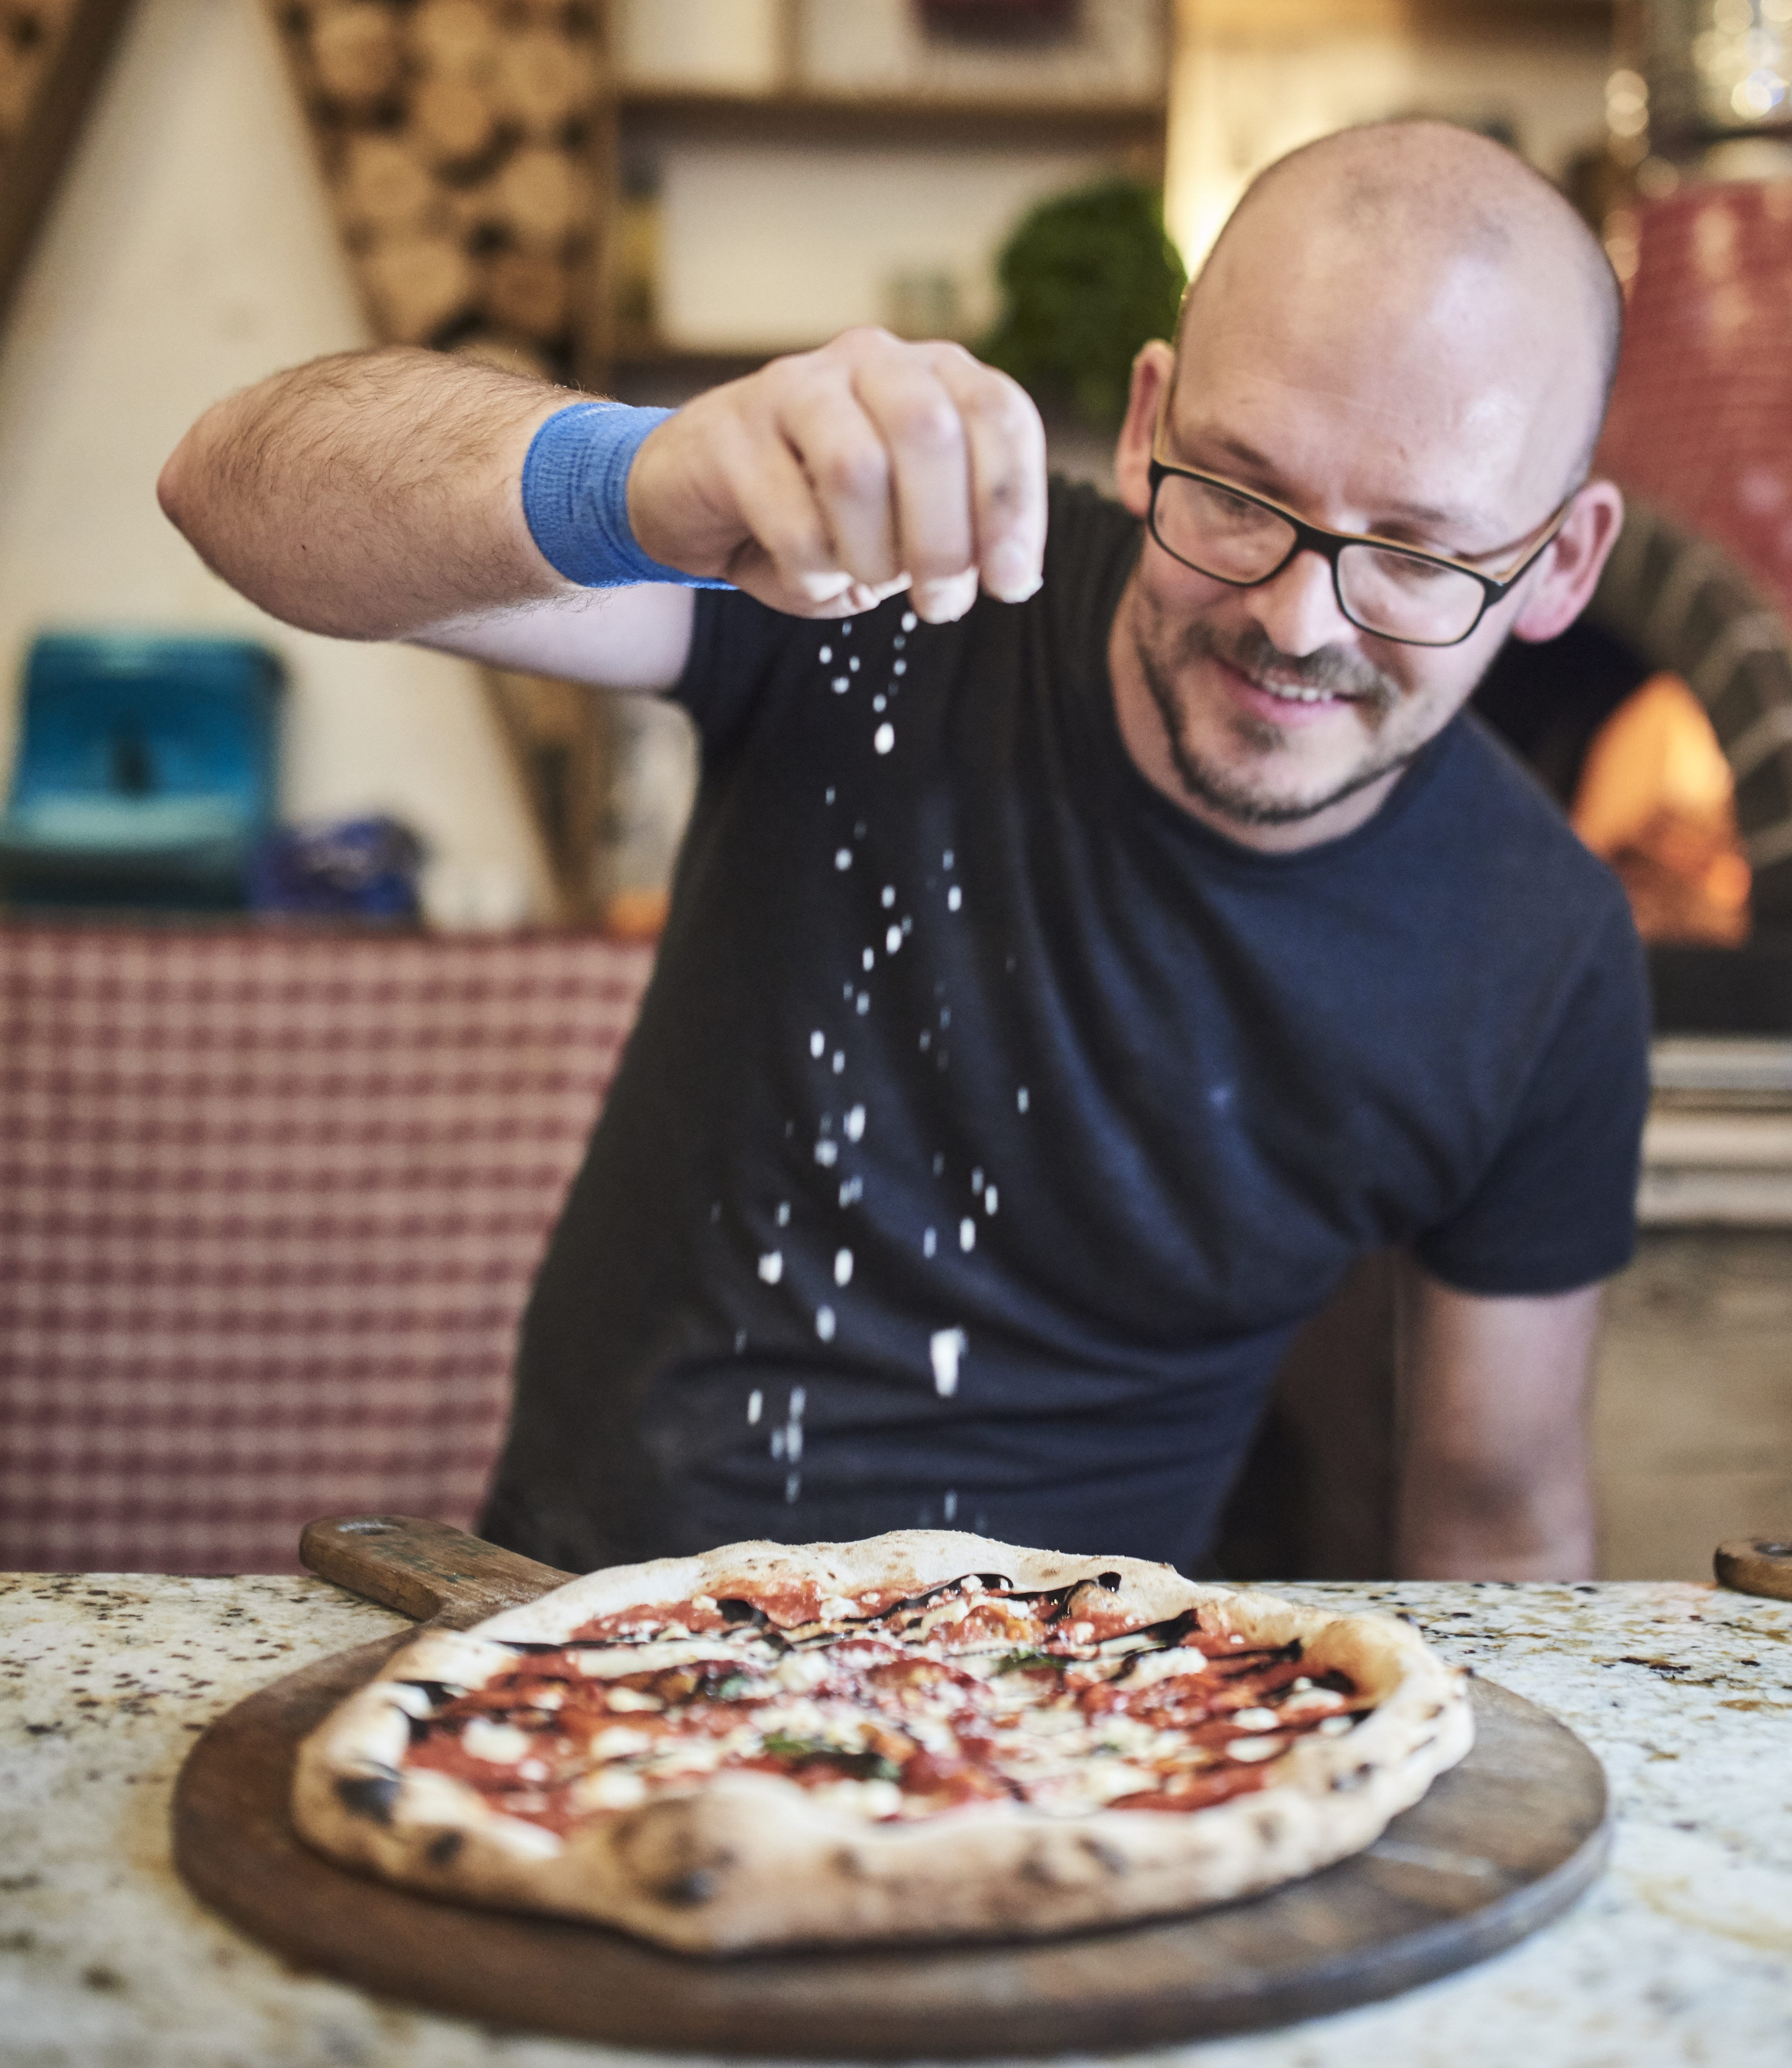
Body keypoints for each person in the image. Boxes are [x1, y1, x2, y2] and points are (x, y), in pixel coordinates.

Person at [159, 121, 1648, 1581]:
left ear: (1560, 563)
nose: (1297, 618)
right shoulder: (885, 587)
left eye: (1417, 556)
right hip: (594, 1622)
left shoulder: (1545, 956)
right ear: (1146, 426)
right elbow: (230, 487)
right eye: (1242, 493)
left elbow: (1499, 1510)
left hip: (1113, 1727)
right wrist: (642, 480)